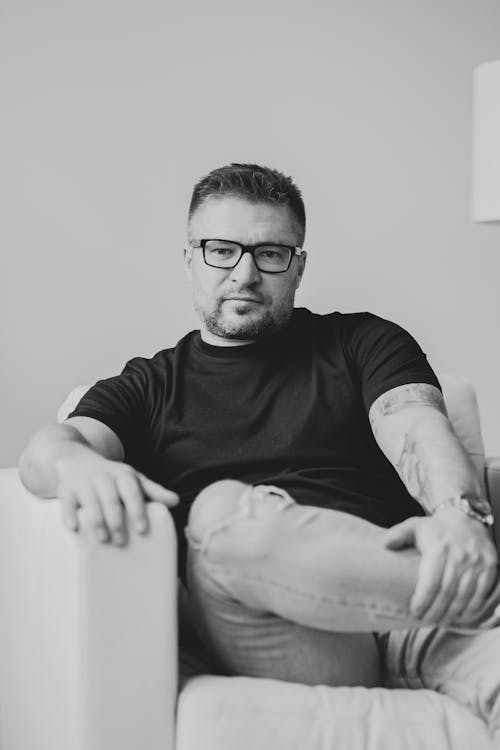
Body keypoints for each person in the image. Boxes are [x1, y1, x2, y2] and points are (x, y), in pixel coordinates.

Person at [19, 163, 500, 737]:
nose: (244, 273)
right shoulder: (150, 385)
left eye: (271, 253)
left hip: (422, 618)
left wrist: (459, 516)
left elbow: (414, 423)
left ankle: (470, 590)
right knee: (222, 518)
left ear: (298, 265)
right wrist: (74, 465)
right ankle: (485, 590)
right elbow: (51, 449)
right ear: (191, 259)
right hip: (285, 630)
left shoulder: (363, 340)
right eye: (221, 250)